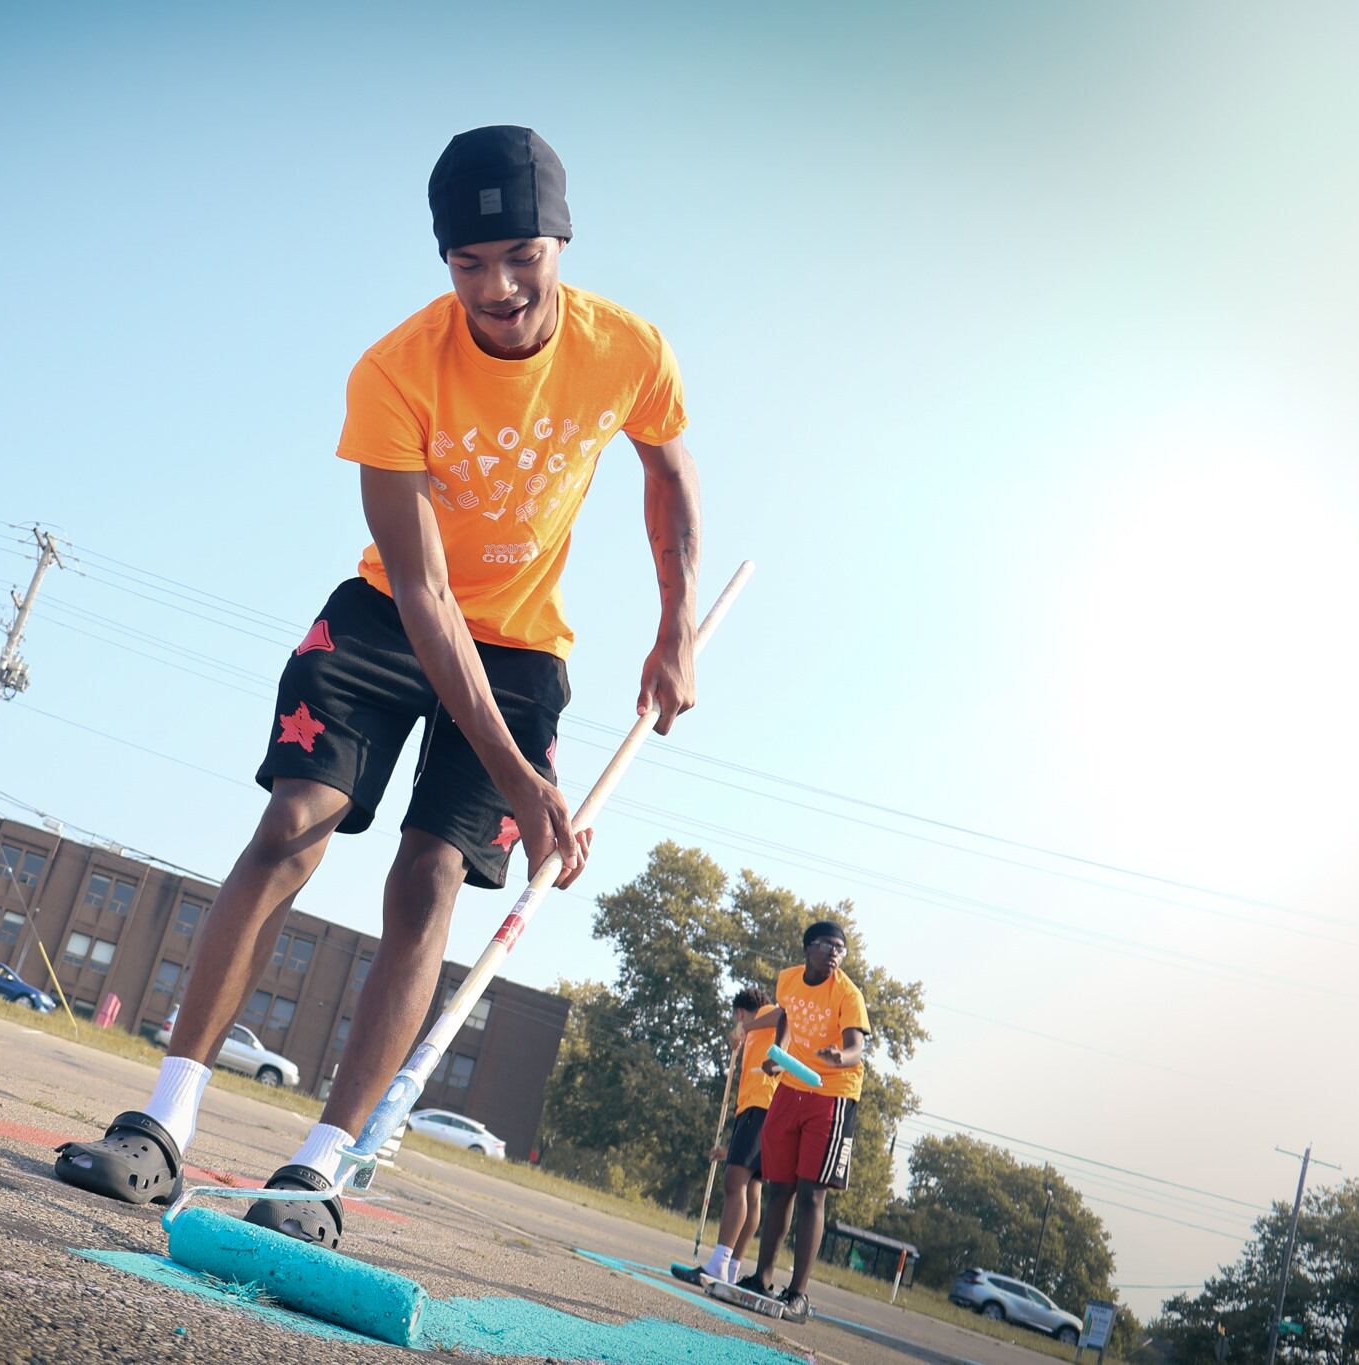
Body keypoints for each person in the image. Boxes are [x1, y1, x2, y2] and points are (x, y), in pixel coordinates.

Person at [53, 125, 701, 1250]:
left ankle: (311, 1174)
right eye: (466, 263)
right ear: (442, 260)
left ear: (559, 240)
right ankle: (160, 1126)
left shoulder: (628, 349)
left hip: (524, 651)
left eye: (518, 257)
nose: (496, 288)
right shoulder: (395, 371)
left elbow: (667, 471)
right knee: (294, 824)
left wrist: (673, 628)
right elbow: (422, 592)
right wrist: (523, 780)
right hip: (395, 616)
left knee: (431, 876)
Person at [734, 920, 871, 1321]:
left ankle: (798, 1294)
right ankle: (762, 1278)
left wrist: (837, 1058)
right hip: (791, 1087)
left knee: (812, 1193)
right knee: (781, 1187)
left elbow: (856, 1048)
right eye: (828, 946)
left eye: (840, 950)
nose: (834, 954)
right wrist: (778, 1055)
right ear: (808, 948)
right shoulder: (789, 980)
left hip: (832, 1093)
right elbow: (786, 1020)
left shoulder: (847, 993)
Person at [673, 985, 776, 1288]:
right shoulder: (756, 1036)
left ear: (741, 1012)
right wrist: (729, 1149)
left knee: (735, 1182)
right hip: (758, 1110)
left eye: (737, 1019)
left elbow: (784, 1014)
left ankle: (719, 1263)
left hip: (760, 1106)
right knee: (751, 1191)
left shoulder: (766, 1015)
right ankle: (731, 1268)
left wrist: (744, 1027)